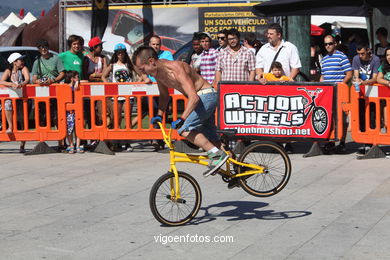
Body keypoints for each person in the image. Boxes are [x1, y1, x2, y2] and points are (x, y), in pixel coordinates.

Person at [132, 46, 229, 178]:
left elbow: (194, 97)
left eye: (143, 69)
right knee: (214, 142)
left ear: (151, 61)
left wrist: (182, 119)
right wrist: (159, 115)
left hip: (205, 95)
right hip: (201, 99)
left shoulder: (175, 69)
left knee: (185, 129)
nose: (144, 73)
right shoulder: (159, 74)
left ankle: (216, 155)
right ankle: (238, 168)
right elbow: (164, 96)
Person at [320, 34, 352, 153]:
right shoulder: (324, 58)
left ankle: (342, 142)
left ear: (335, 44)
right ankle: (331, 142)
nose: (328, 46)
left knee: (342, 118)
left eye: (330, 43)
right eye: (326, 44)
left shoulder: (341, 56)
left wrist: (341, 85)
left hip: (339, 92)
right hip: (328, 93)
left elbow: (349, 73)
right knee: (330, 118)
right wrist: (320, 87)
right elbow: (323, 76)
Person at [351, 44, 381, 154]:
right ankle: (365, 142)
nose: (360, 56)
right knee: (361, 117)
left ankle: (372, 143)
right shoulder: (355, 59)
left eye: (362, 53)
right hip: (362, 92)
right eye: (358, 54)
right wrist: (356, 79)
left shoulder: (375, 60)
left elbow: (374, 78)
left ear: (368, 51)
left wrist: (363, 82)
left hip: (373, 91)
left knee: (372, 117)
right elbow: (355, 74)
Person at [102, 43, 136, 129]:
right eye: (118, 52)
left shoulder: (129, 64)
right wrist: (108, 85)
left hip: (128, 95)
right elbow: (103, 76)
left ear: (125, 53)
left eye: (122, 52)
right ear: (115, 54)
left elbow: (140, 73)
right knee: (117, 118)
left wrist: (136, 84)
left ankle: (127, 138)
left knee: (128, 119)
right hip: (116, 95)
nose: (120, 54)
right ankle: (118, 139)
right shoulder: (113, 65)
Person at [0, 52, 29, 152]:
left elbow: (27, 79)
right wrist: (11, 84)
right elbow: (1, 81)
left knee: (22, 119)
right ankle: (10, 126)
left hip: (22, 99)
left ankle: (22, 144)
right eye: (20, 60)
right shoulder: (8, 71)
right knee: (7, 104)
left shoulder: (24, 69)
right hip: (12, 98)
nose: (22, 61)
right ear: (14, 62)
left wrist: (22, 84)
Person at [64, 70, 84, 154]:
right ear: (72, 78)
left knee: (78, 128)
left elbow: (85, 81)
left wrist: (78, 82)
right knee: (69, 129)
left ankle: (78, 145)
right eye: (77, 77)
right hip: (68, 111)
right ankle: (71, 145)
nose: (78, 78)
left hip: (77, 110)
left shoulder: (79, 85)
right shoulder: (65, 86)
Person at [375, 47, 390, 134]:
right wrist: (388, 83)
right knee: (387, 123)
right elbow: (378, 79)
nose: (389, 57)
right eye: (387, 55)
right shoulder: (383, 65)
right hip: (386, 101)